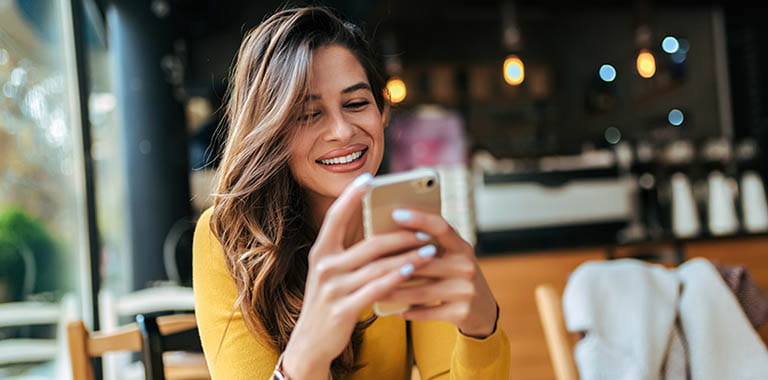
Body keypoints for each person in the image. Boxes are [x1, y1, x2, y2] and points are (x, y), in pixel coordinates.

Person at [192, 6, 510, 380]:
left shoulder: (405, 224)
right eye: (308, 113)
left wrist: (481, 327)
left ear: (382, 112)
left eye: (356, 103)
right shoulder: (228, 238)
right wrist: (309, 351)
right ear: (271, 131)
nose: (343, 131)